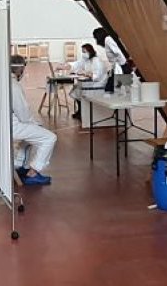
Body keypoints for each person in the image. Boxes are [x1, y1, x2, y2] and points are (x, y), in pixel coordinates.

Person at [10, 55, 57, 186]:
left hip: (6, 125)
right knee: (49, 138)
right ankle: (33, 173)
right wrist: (35, 124)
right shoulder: (13, 86)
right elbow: (23, 114)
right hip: (14, 126)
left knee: (32, 135)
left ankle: (20, 166)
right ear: (20, 68)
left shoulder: (3, 82)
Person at [68, 43, 107, 120]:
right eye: (82, 51)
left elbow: (97, 75)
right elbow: (78, 64)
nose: (83, 54)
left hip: (97, 83)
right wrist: (68, 66)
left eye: (84, 51)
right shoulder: (87, 60)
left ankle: (82, 112)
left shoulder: (96, 60)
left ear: (90, 51)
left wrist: (87, 74)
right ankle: (80, 111)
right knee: (76, 89)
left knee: (79, 91)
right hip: (90, 81)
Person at [92, 28, 127, 92]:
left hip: (121, 67)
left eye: (96, 38)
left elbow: (118, 53)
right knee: (112, 89)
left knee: (114, 90)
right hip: (118, 67)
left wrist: (123, 66)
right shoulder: (107, 40)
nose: (96, 41)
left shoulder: (108, 40)